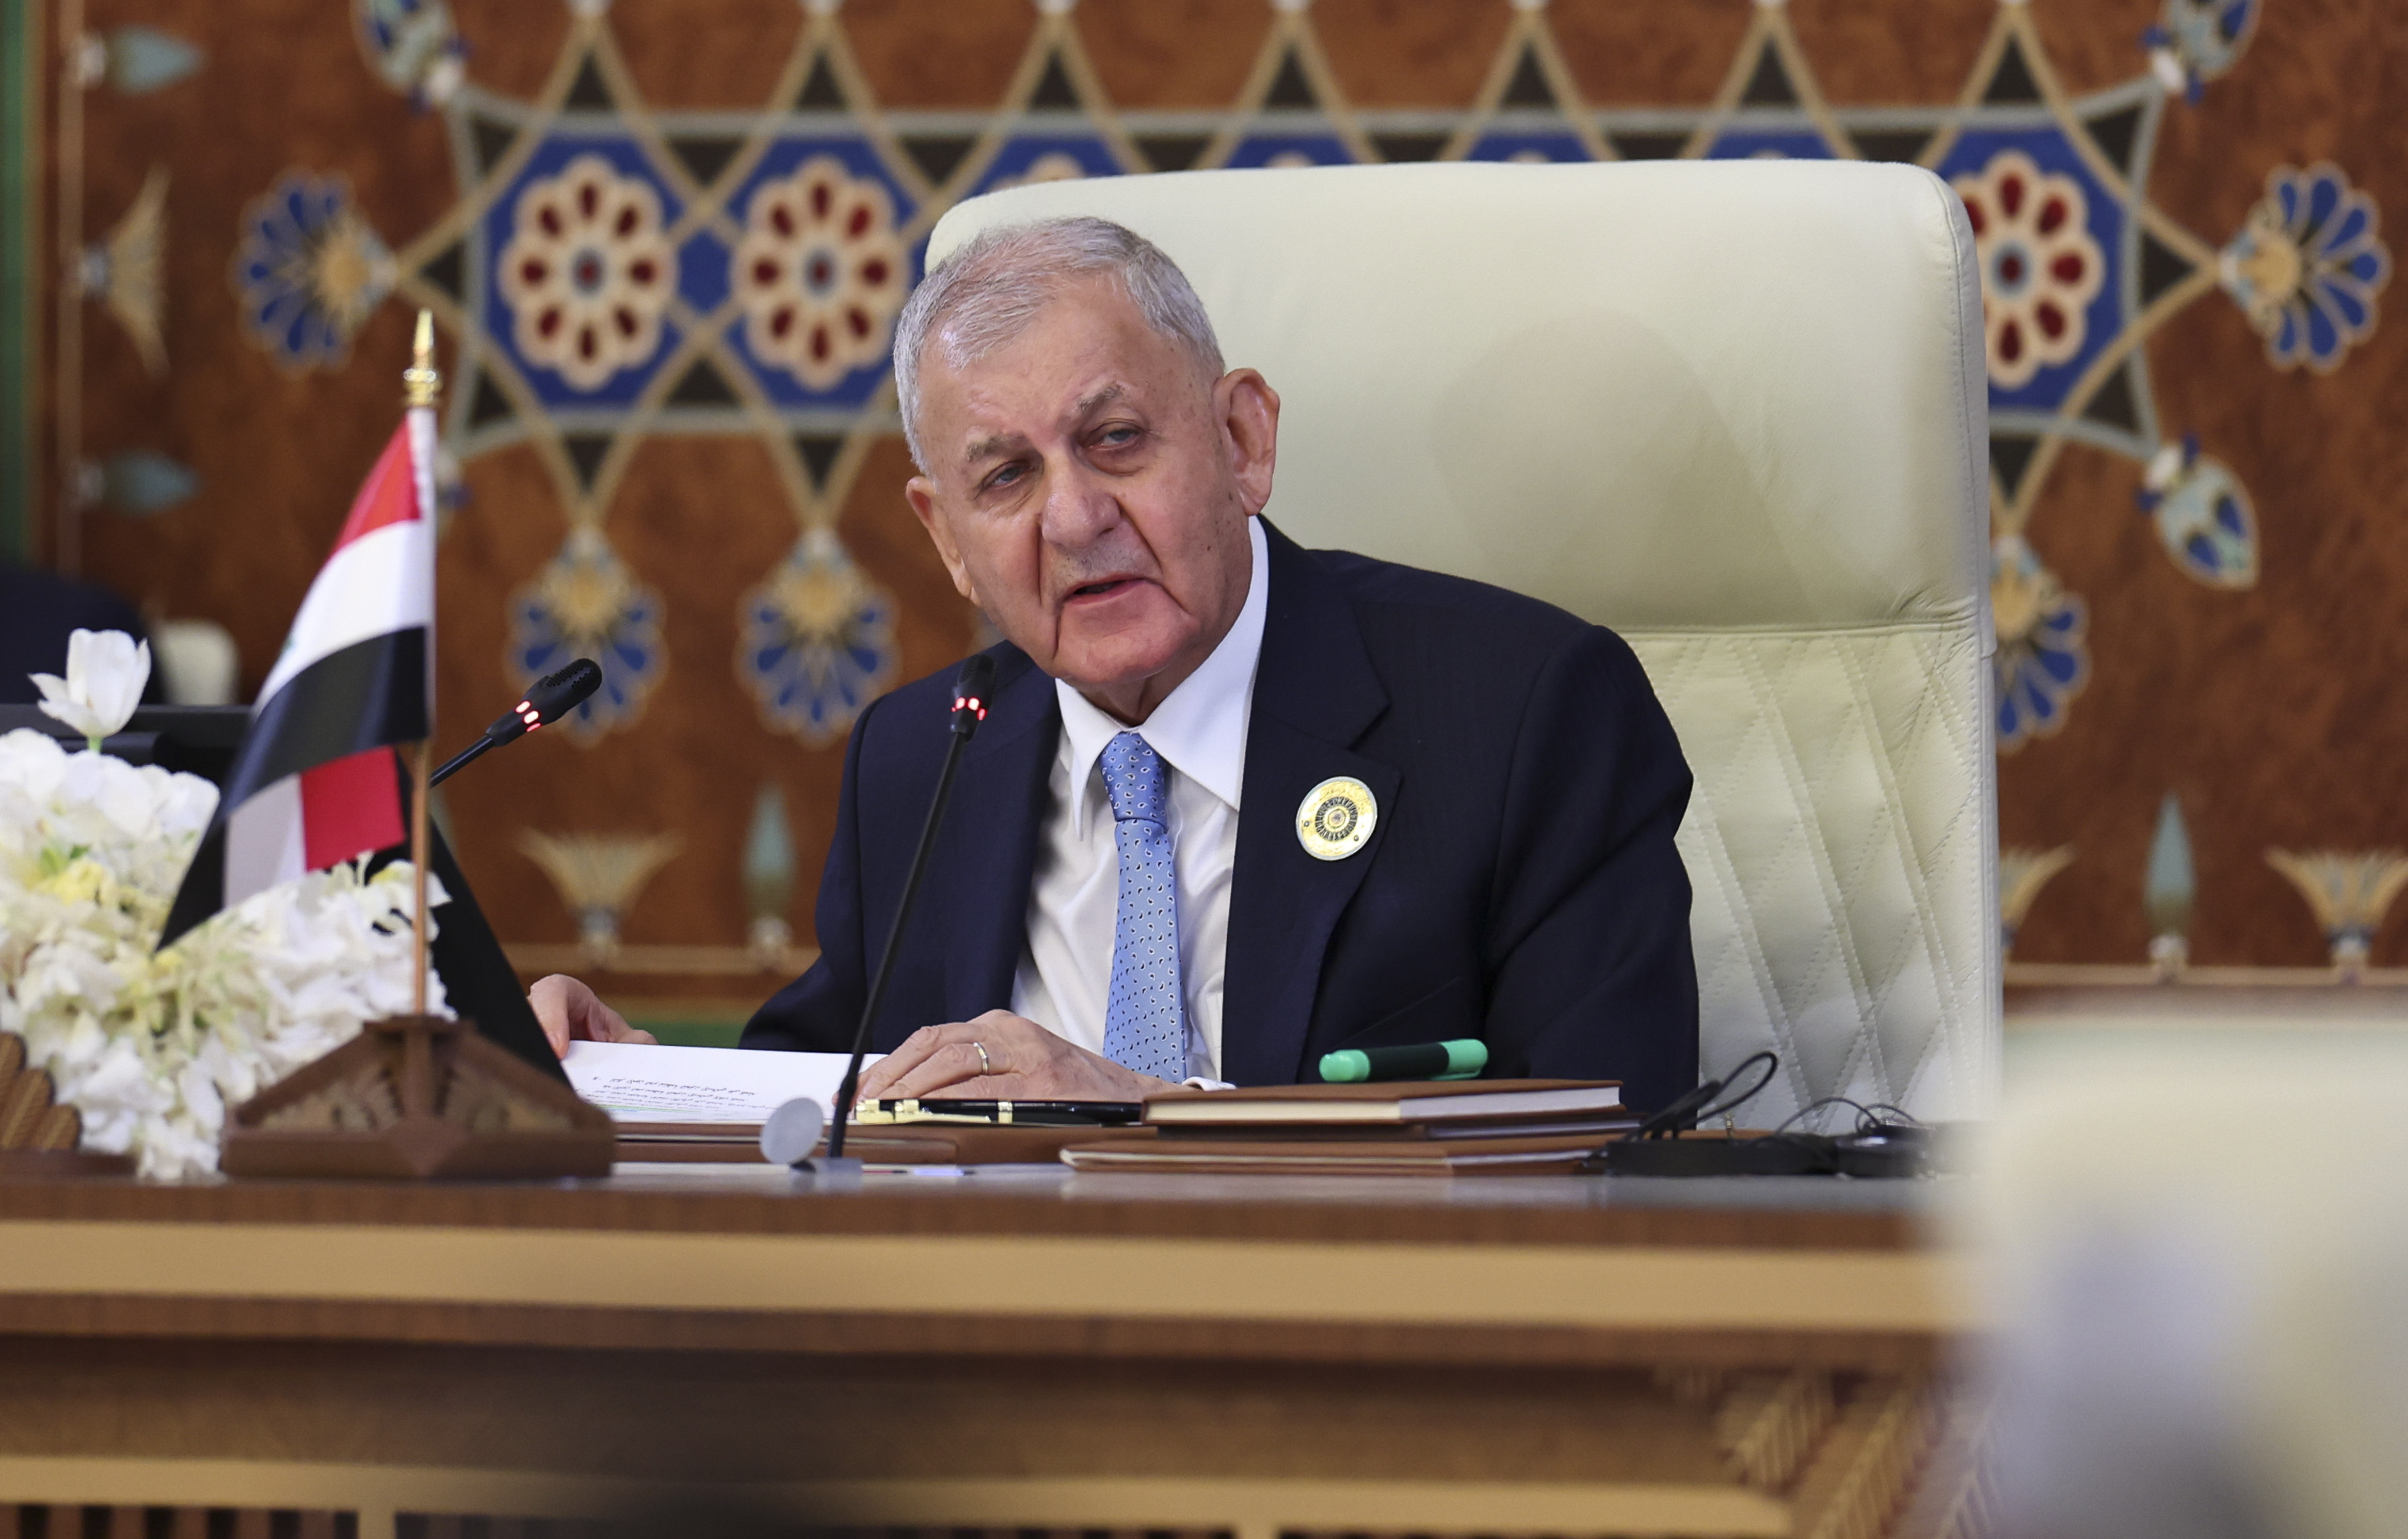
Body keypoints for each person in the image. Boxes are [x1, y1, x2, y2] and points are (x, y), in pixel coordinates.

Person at [531, 216, 1699, 1111]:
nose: (1074, 518)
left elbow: (1611, 1135)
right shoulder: (923, 755)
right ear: (947, 541)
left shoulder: (1524, 712)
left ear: (1241, 440)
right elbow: (841, 1094)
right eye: (1006, 477)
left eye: (1116, 440)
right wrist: (629, 1079)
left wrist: (1153, 1116)